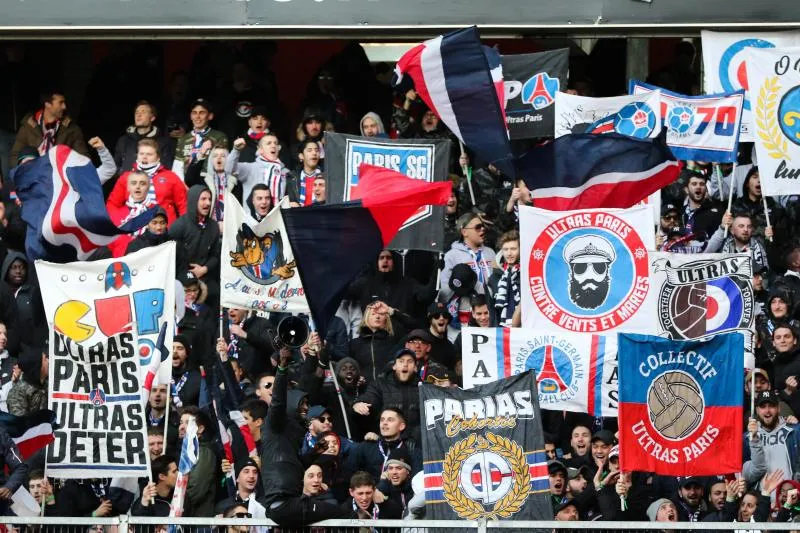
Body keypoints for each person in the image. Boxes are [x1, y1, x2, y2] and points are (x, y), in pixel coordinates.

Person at [260, 349, 345, 526]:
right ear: (291, 405)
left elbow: (297, 463)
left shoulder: (293, 434)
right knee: (346, 515)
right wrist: (282, 369)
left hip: (291, 501)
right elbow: (277, 402)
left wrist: (317, 451)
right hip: (283, 504)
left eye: (307, 404)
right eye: (302, 404)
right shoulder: (274, 426)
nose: (306, 408)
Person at [107, 138, 187, 226]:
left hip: (163, 229)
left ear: (158, 157)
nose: (144, 157)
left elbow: (183, 206)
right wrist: (119, 222)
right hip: (132, 229)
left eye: (149, 154)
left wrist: (182, 229)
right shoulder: (126, 177)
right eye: (141, 153)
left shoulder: (171, 177)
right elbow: (112, 204)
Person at [168, 185, 221, 308]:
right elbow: (170, 256)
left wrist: (204, 269)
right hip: (181, 276)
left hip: (204, 275)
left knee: (217, 296)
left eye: (209, 199)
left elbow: (215, 255)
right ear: (193, 200)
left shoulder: (213, 226)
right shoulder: (179, 226)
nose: (207, 203)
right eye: (203, 199)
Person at [353, 351, 422, 439]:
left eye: (410, 361)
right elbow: (369, 398)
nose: (405, 364)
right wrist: (358, 403)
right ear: (394, 366)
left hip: (416, 442)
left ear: (415, 367)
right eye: (401, 361)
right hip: (386, 440)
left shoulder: (423, 386)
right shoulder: (380, 384)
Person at [11, 88, 88, 165]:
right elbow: (15, 156)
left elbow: (84, 159)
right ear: (47, 104)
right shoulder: (29, 125)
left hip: (60, 174)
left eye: (64, 102)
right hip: (33, 173)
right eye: (61, 103)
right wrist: (25, 172)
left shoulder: (72, 129)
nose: (64, 106)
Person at [346, 407, 421, 481]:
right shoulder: (366, 446)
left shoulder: (410, 449)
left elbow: (416, 479)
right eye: (382, 420)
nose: (384, 423)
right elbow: (351, 474)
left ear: (401, 426)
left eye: (390, 420)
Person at [227, 133, 288, 209]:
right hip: (253, 219)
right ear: (260, 149)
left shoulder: (285, 172)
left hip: (277, 218)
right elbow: (228, 169)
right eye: (269, 143)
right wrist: (236, 150)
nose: (273, 146)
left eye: (276, 143)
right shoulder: (251, 168)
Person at [440, 213, 495, 296]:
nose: (483, 229)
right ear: (464, 232)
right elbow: (445, 291)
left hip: (491, 306)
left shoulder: (490, 252)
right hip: (465, 307)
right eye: (478, 227)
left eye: (482, 226)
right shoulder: (451, 256)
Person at [172, 99, 229, 180]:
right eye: (194, 113)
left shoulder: (219, 137)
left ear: (210, 116)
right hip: (186, 184)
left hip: (209, 182)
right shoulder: (183, 139)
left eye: (202, 113)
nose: (197, 116)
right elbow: (177, 167)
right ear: (190, 116)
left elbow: (222, 164)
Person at [113, 100, 174, 172]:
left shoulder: (164, 142)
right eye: (137, 112)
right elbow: (115, 166)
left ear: (152, 118)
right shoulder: (123, 140)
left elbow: (166, 168)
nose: (138, 115)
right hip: (126, 182)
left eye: (143, 112)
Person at [348, 300, 399, 384]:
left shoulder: (393, 341)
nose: (377, 317)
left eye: (381, 314)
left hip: (390, 391)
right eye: (373, 314)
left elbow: (413, 327)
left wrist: (391, 311)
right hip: (365, 392)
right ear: (366, 317)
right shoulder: (354, 344)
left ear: (386, 318)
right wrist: (355, 378)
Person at [286, 139, 322, 206]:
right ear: (301, 156)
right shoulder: (291, 178)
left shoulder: (327, 177)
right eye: (309, 150)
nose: (314, 153)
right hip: (298, 215)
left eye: (316, 150)